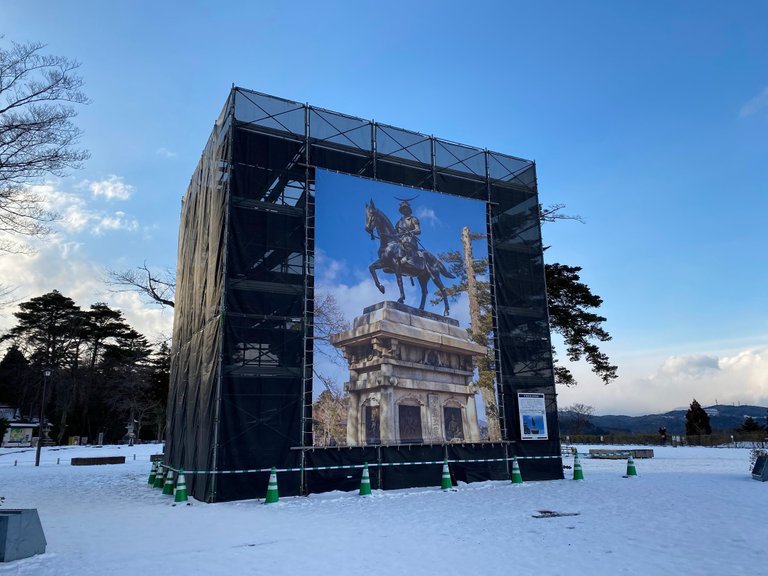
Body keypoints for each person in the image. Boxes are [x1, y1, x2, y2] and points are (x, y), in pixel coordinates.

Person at [394, 199, 422, 268]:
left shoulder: (413, 219)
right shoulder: (399, 222)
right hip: (400, 241)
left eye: (405, 208)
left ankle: (410, 260)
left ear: (408, 209)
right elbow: (395, 233)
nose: (404, 210)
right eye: (403, 209)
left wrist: (411, 232)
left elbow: (418, 230)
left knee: (406, 244)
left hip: (410, 240)